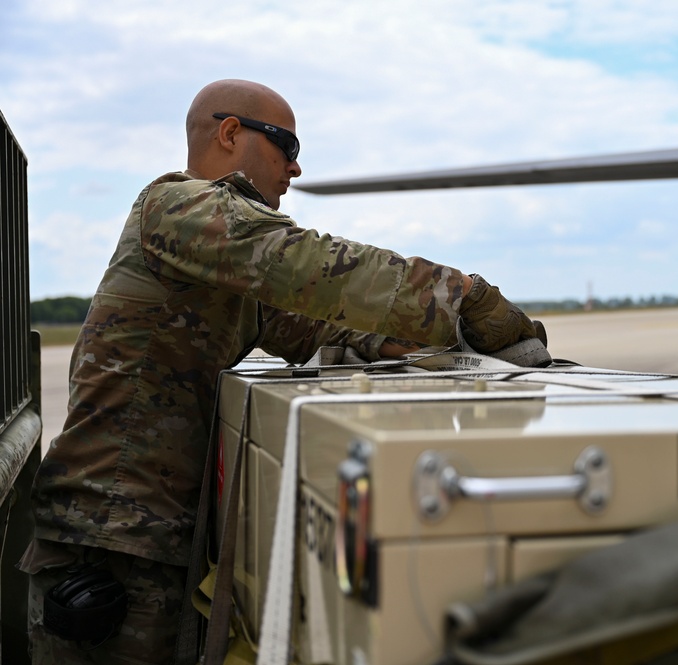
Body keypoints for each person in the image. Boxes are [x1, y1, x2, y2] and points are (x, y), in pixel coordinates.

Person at [18, 79, 545, 664]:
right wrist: (465, 297)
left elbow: (327, 327)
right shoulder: (176, 206)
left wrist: (464, 345)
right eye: (286, 146)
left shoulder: (228, 273)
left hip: (154, 537)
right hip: (105, 540)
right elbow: (309, 265)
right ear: (229, 132)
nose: (295, 168)